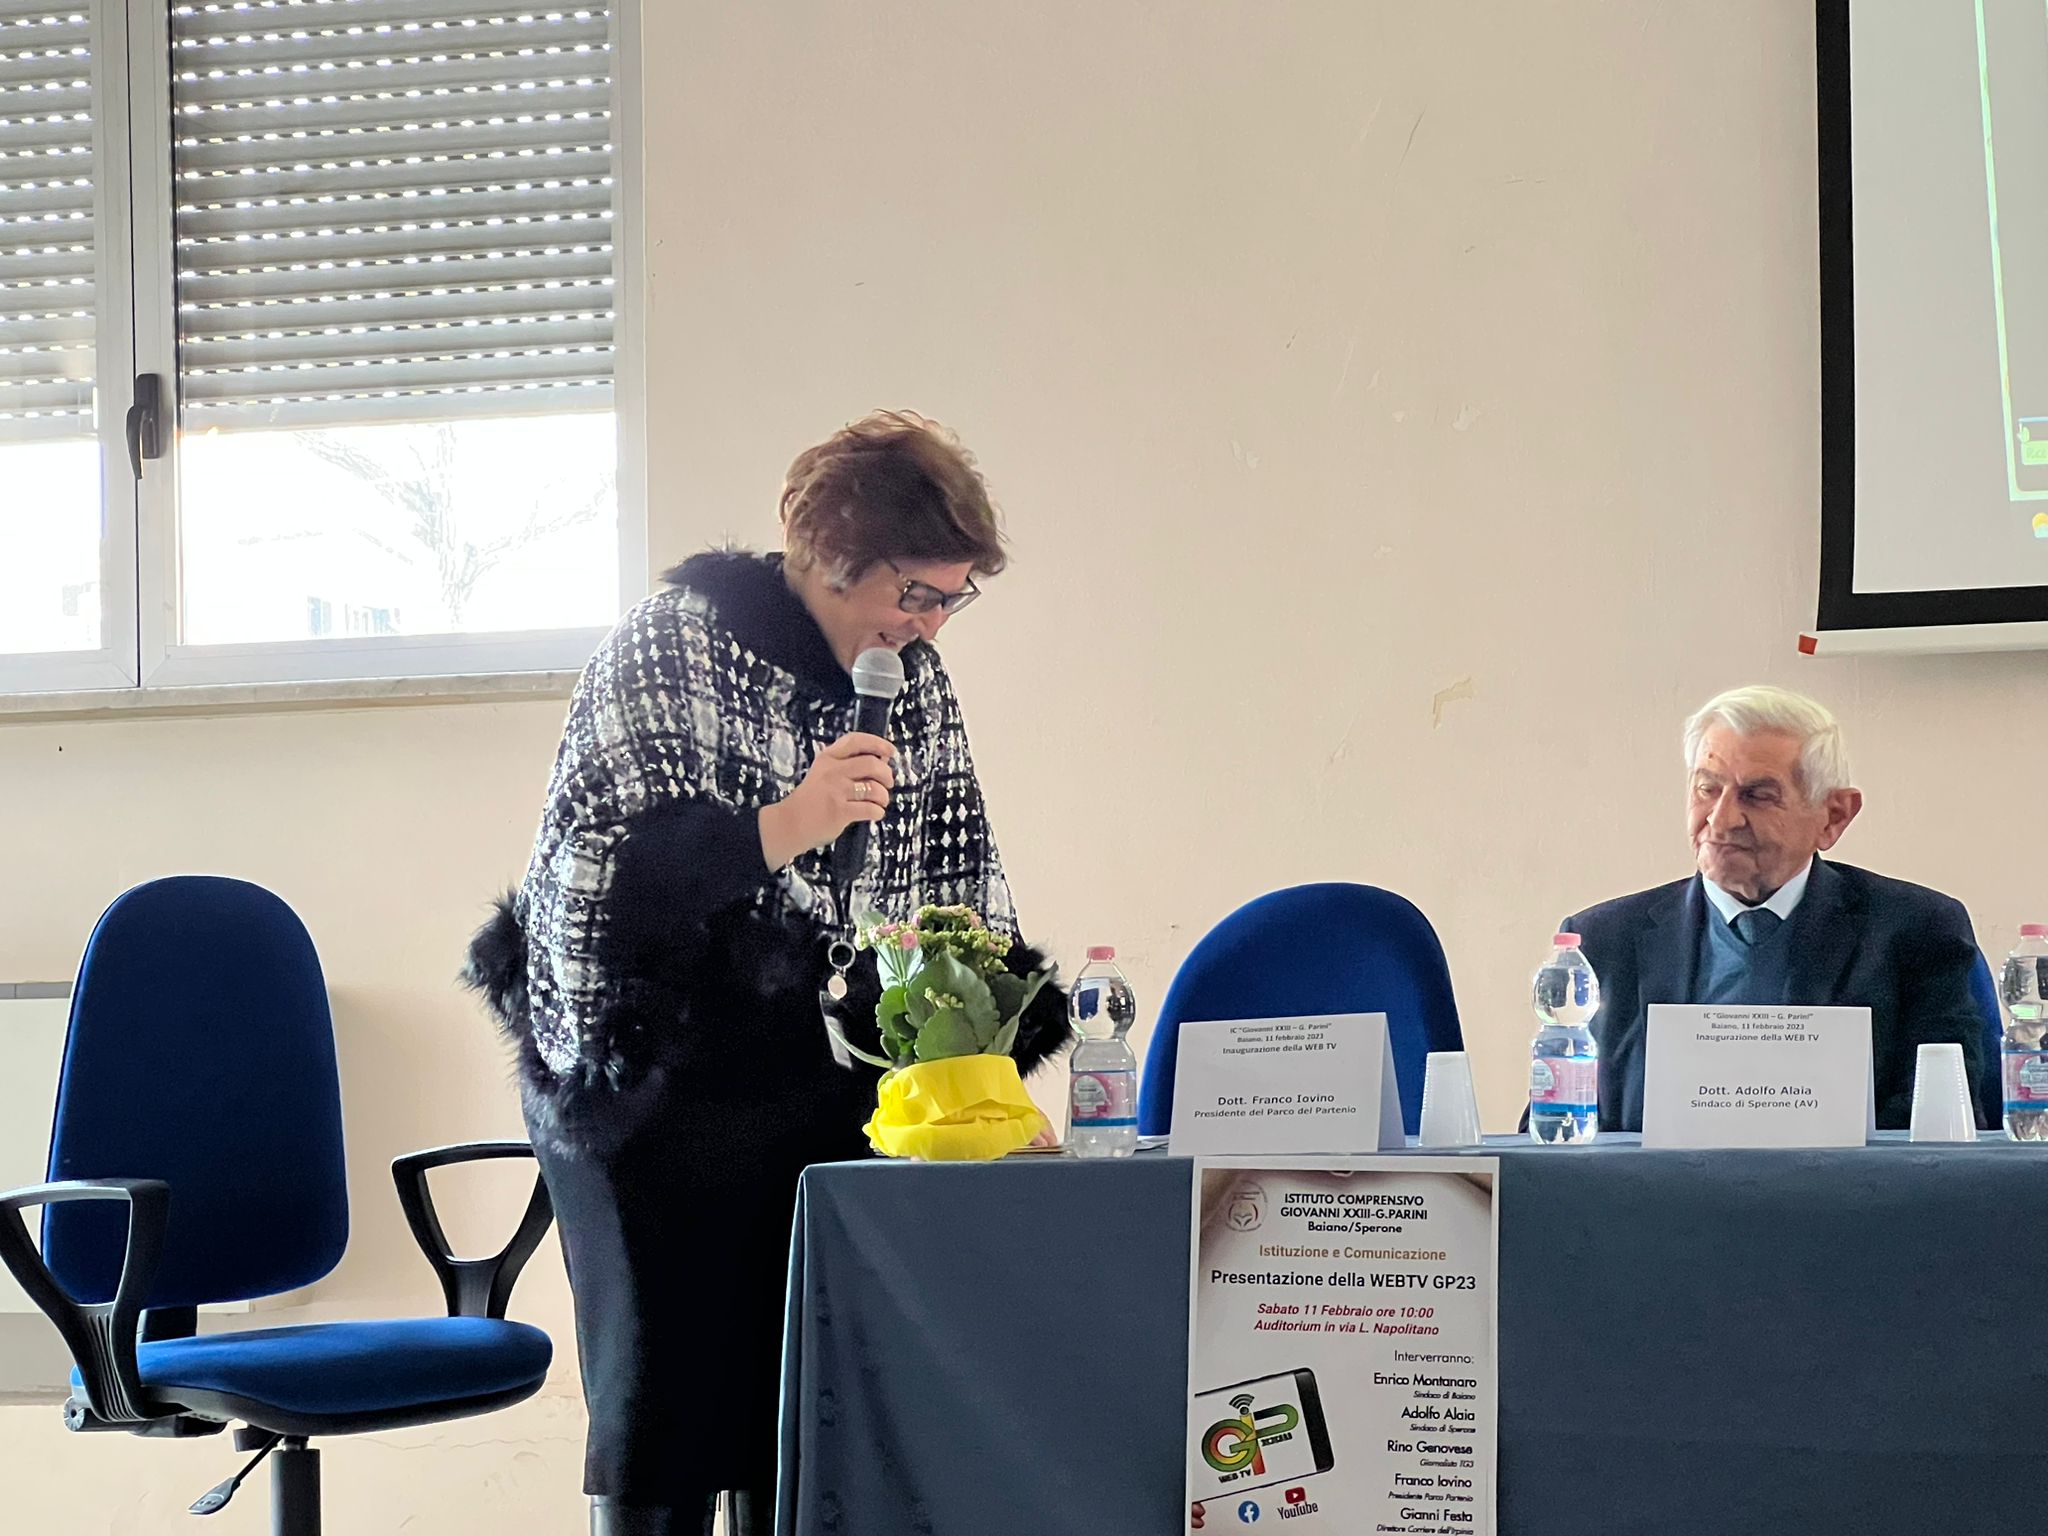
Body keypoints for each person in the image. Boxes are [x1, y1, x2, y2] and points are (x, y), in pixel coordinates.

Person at [463, 411, 1069, 1536]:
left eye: (951, 599)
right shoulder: (671, 644)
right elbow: (596, 886)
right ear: (832, 557)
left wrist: (990, 1078)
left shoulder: (914, 680)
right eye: (915, 593)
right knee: (665, 1418)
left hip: (805, 1075)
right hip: (652, 1083)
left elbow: (955, 885)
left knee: (795, 1414)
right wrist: (789, 823)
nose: (929, 623)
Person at [1561, 684, 1985, 1131]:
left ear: (1834, 816)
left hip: (1843, 1179)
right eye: (1707, 788)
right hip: (1653, 1180)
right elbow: (1556, 1133)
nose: (1721, 819)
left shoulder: (1916, 932)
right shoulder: (1602, 942)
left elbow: (1939, 1128)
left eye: (1758, 795)